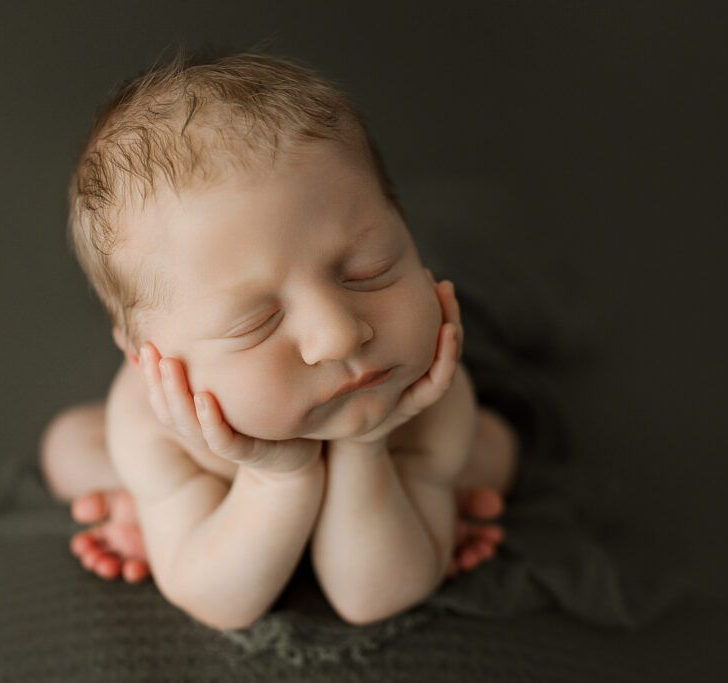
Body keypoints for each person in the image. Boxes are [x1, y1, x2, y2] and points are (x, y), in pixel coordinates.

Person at [40, 51, 518, 630]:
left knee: (493, 446)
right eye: (255, 322)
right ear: (151, 363)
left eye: (369, 269)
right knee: (71, 447)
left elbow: (371, 598)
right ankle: (148, 504)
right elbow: (219, 602)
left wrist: (371, 445)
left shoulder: (430, 396)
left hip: (399, 452)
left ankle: (430, 495)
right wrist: (278, 476)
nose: (340, 334)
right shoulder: (154, 425)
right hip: (207, 477)